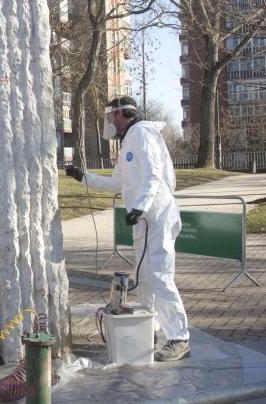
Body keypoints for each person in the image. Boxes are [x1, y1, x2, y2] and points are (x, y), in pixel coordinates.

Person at [65, 96, 190, 362]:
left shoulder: (143, 133)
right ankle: (152, 329)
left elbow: (154, 174)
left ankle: (179, 337)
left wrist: (141, 207)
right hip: (144, 218)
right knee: (144, 276)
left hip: (157, 214)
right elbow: (117, 183)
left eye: (112, 116)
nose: (110, 122)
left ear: (122, 113)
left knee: (160, 274)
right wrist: (83, 178)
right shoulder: (129, 141)